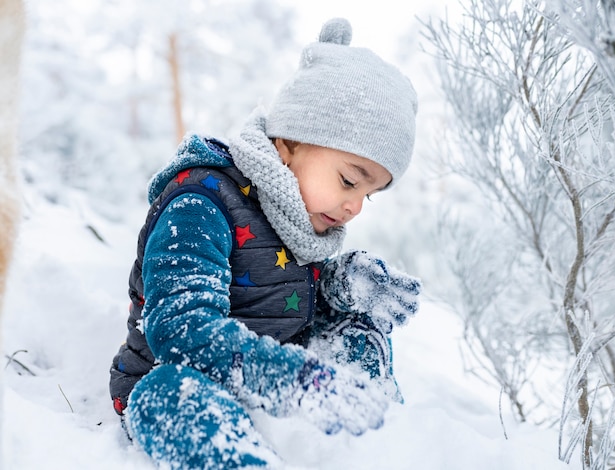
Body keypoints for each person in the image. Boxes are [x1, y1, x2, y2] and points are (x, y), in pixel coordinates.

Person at [109, 17, 421, 469]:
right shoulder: (200, 204)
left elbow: (285, 293)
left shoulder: (300, 215)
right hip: (181, 378)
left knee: (359, 325)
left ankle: (370, 434)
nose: (354, 206)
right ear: (291, 141)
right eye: (350, 180)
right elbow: (181, 331)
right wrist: (294, 379)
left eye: (367, 195)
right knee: (168, 396)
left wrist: (342, 286)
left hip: (279, 376)